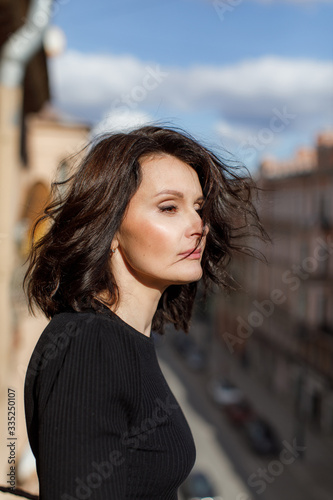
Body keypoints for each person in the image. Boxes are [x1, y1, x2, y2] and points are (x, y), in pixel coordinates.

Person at [23, 125, 265, 500]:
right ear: (110, 225)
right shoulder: (88, 344)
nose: (198, 226)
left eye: (198, 208)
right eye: (169, 207)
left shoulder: (129, 339)